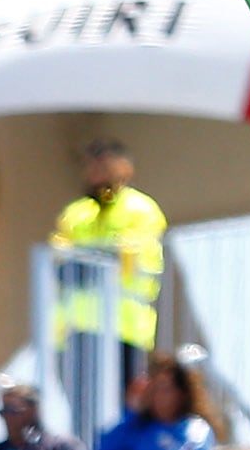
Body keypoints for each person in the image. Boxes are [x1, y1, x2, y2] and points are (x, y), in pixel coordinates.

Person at [51, 136, 168, 352]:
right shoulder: (76, 213)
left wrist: (83, 261)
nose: (95, 173)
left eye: (103, 165)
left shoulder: (140, 208)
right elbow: (57, 259)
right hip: (75, 331)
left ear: (125, 168)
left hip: (125, 330)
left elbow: (127, 259)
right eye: (91, 166)